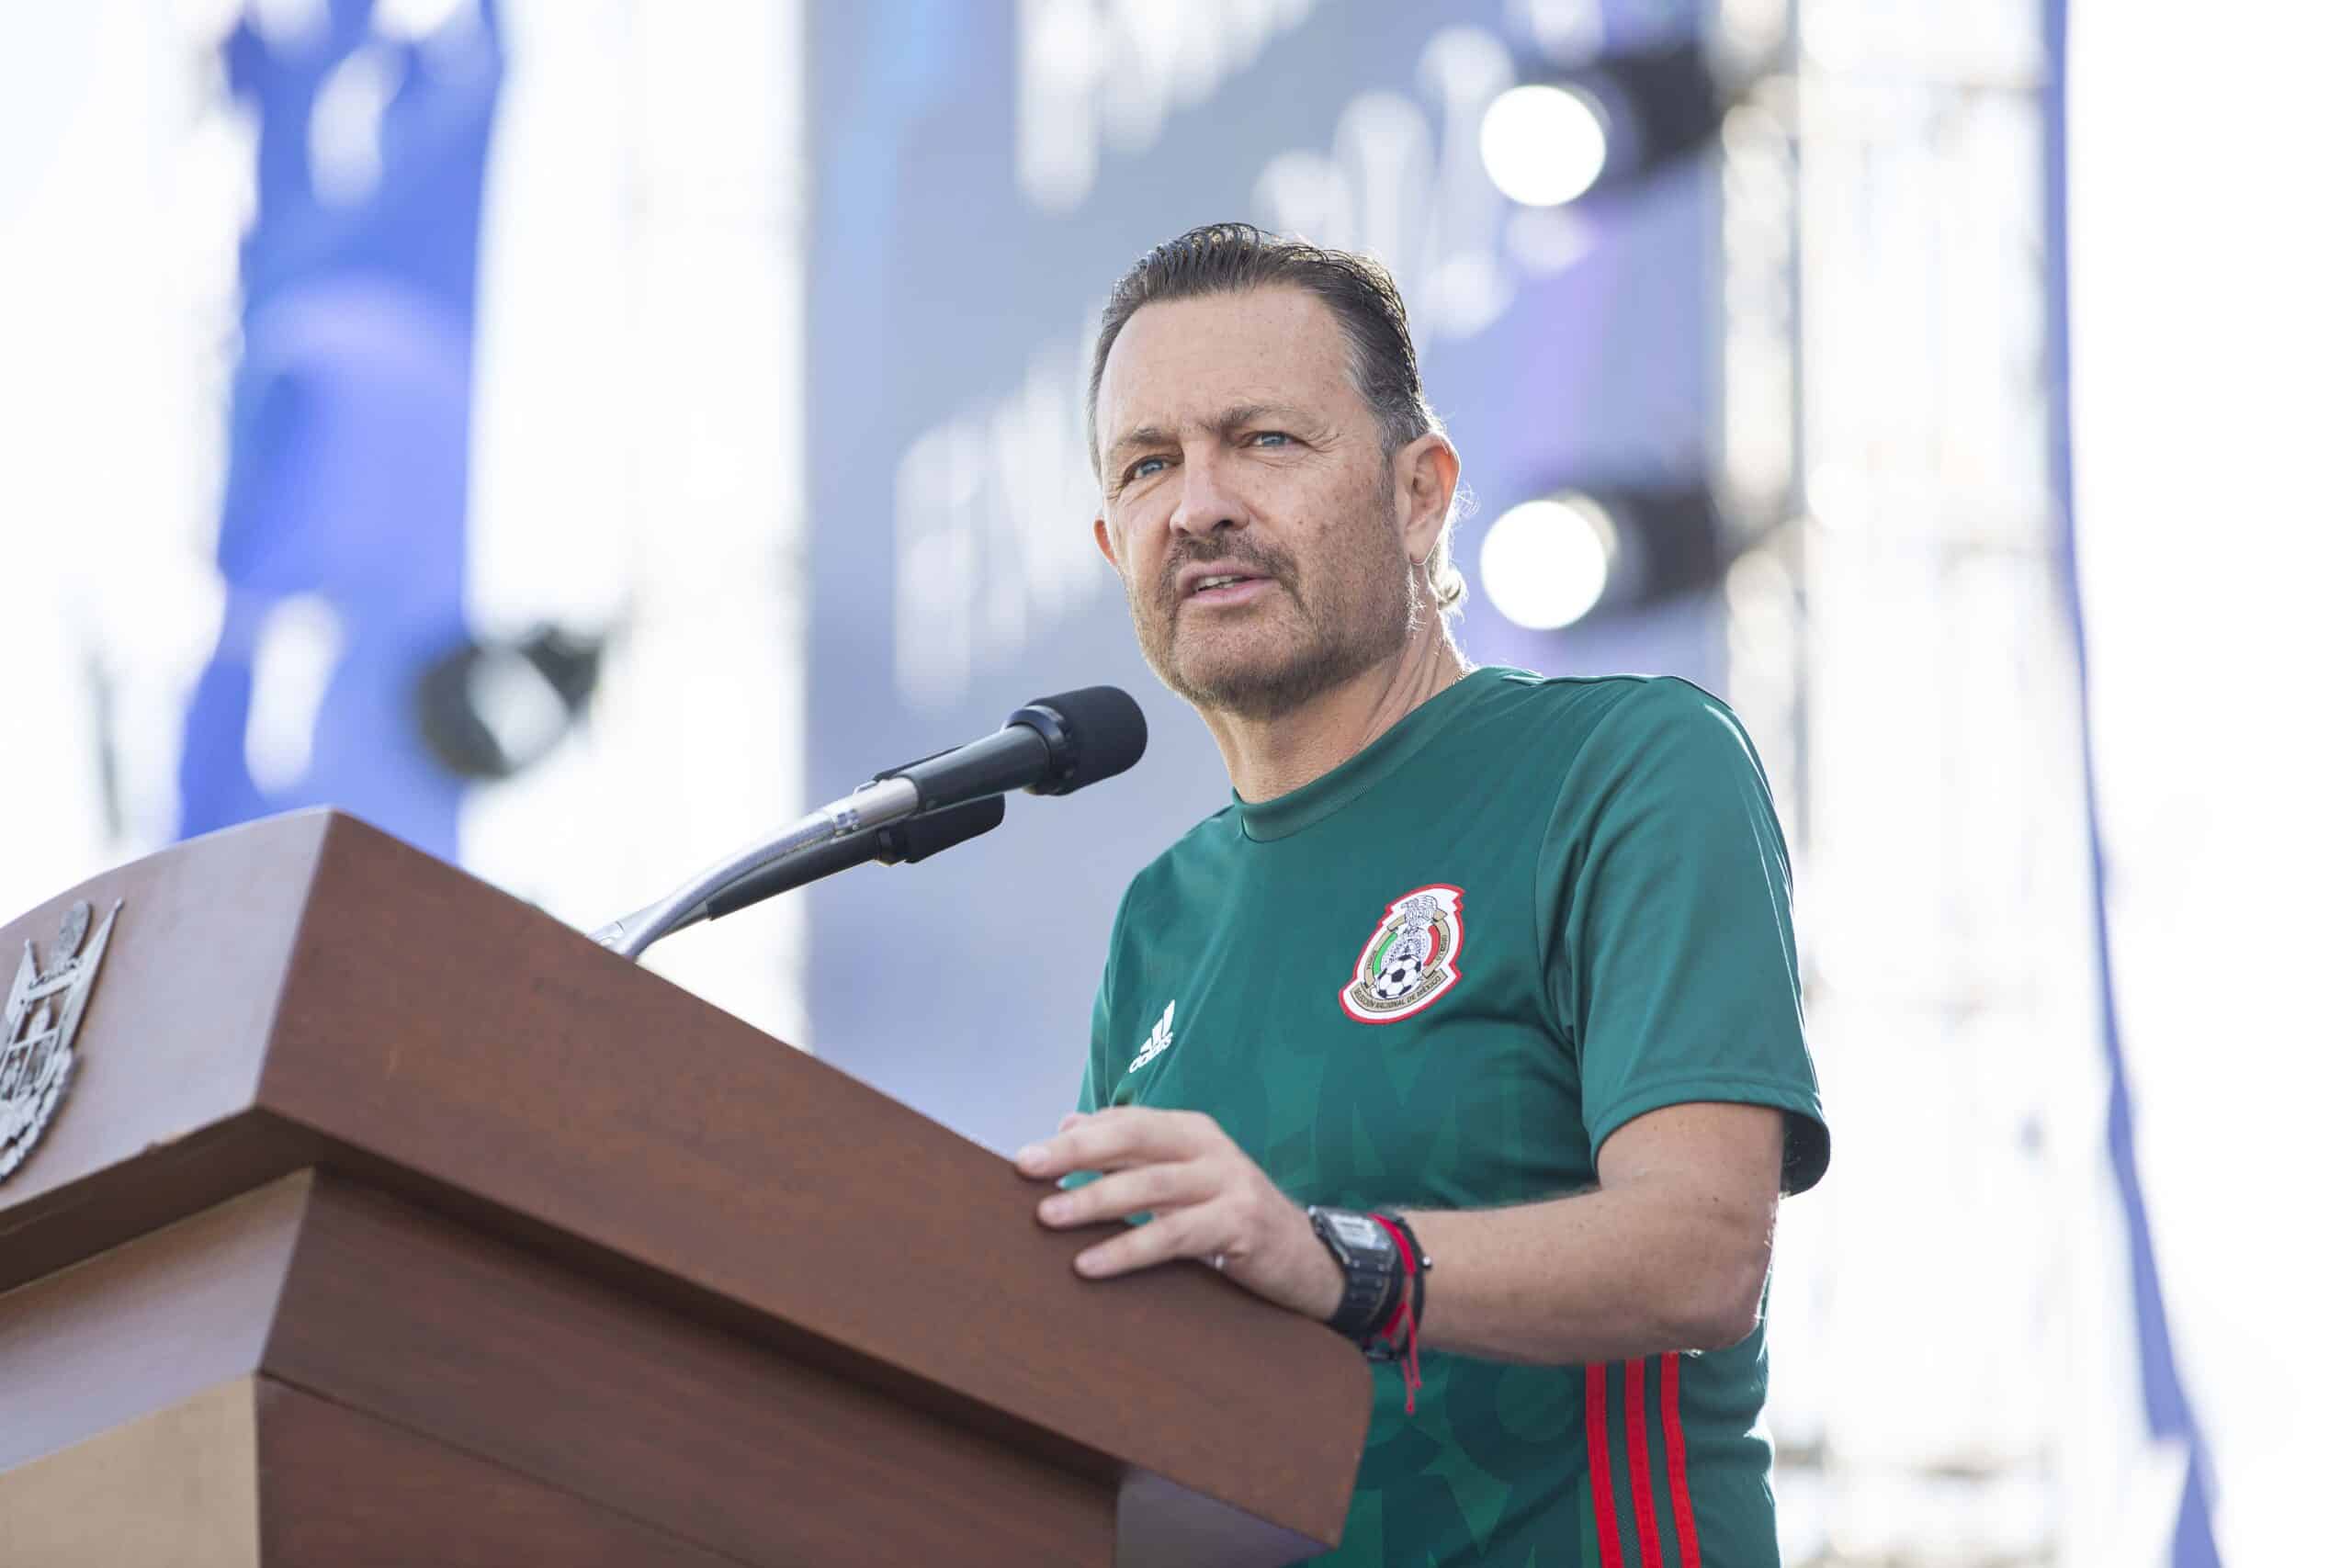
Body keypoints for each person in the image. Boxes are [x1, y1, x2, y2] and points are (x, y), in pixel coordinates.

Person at [1012, 222, 1829, 1567]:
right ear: (1114, 545)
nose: (1200, 502)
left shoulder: (1622, 766)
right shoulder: (1162, 920)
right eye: (1149, 465)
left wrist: (1341, 1262)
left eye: (1263, 440)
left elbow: (1703, 1254)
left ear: (1421, 491)